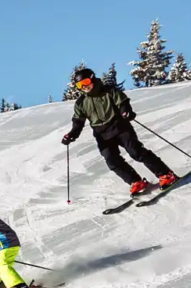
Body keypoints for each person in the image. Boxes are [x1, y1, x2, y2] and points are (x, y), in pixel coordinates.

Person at [62, 67, 178, 197]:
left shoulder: (108, 91)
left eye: (86, 82)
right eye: (79, 84)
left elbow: (123, 101)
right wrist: (72, 134)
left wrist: (125, 111)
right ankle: (136, 182)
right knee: (112, 161)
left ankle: (166, 174)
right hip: (102, 134)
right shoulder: (81, 102)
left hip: (119, 126)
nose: (84, 87)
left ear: (93, 78)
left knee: (136, 152)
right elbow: (78, 122)